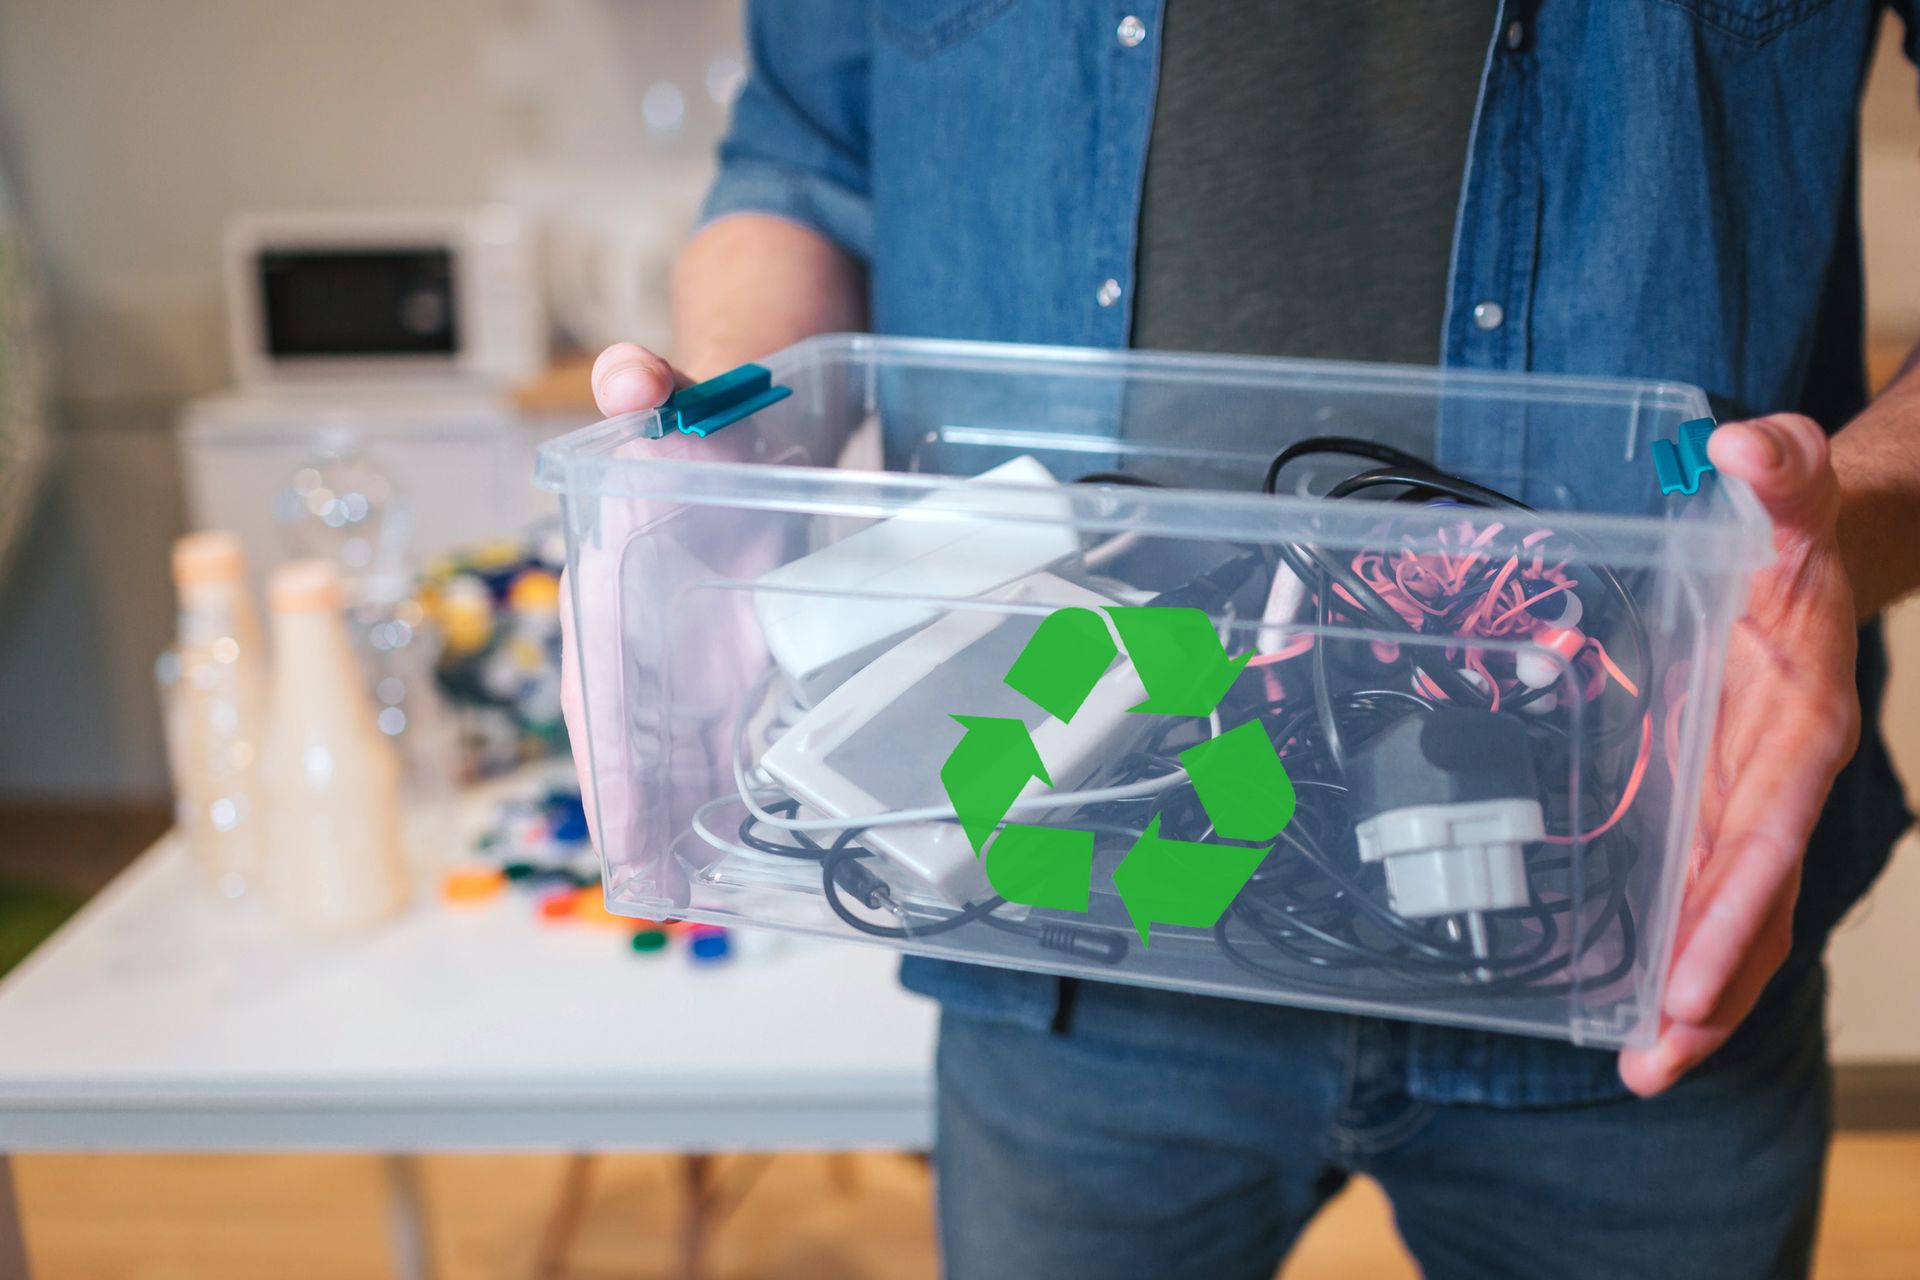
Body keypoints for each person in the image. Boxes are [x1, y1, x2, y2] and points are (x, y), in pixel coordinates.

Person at [572, 5, 1918, 1277]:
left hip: (1625, 909)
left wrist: (1814, 546)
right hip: (1054, 927)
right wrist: (722, 456)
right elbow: (800, 161)